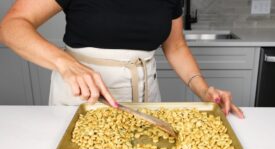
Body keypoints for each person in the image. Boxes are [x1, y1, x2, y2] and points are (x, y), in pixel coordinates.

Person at [0, 0, 244, 118]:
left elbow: (176, 46)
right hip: (84, 98)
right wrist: (65, 63)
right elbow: (11, 26)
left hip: (147, 99)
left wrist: (203, 89)